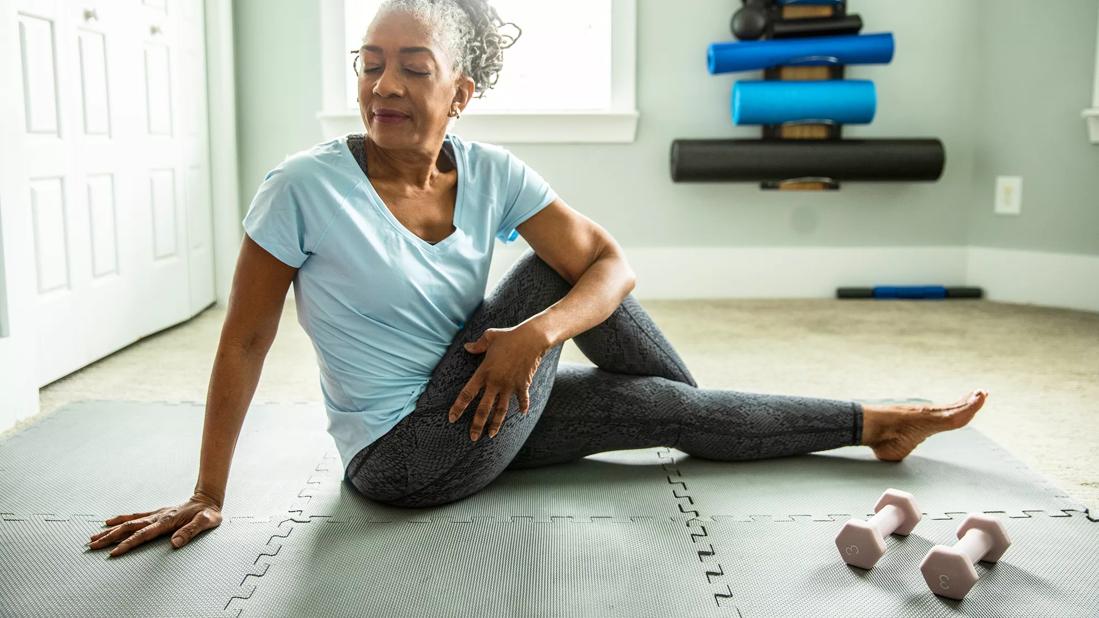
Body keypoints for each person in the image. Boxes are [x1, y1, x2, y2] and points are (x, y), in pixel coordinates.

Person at [86, 0, 987, 558]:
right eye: (369, 64)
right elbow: (245, 338)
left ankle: (877, 425)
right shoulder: (302, 187)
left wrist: (540, 336)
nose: (382, 86)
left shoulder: (490, 170)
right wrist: (208, 492)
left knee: (630, 369)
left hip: (479, 403)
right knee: (551, 277)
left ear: (461, 92)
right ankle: (695, 411)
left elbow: (615, 265)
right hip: (400, 459)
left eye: (412, 67)